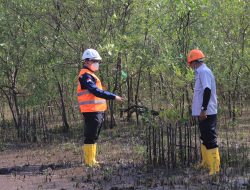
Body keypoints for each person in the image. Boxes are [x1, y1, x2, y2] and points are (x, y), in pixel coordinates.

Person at [77, 48, 124, 167]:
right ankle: (89, 162)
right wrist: (113, 96)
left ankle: (92, 160)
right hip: (91, 111)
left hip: (96, 110)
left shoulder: (91, 75)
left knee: (94, 135)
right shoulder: (85, 76)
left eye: (98, 61)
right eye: (95, 61)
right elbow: (95, 91)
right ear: (87, 61)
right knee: (90, 135)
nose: (97, 63)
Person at [187, 49, 220, 175]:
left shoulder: (204, 72)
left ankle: (215, 168)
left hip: (207, 112)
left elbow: (207, 91)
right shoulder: (200, 72)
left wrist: (203, 110)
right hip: (203, 112)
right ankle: (206, 163)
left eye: (190, 63)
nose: (189, 66)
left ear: (194, 62)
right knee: (205, 137)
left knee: (210, 138)